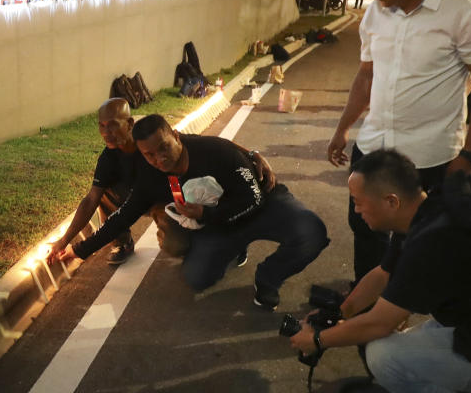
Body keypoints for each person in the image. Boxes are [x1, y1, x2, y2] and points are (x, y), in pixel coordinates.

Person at [327, 0, 471, 283]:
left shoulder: (470, 12)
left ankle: (401, 308)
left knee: (422, 239)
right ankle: (365, 306)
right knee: (365, 228)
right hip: (374, 146)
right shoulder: (377, 12)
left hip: (429, 157)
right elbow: (366, 76)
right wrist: (343, 128)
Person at [287, 149, 471, 393]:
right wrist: (341, 312)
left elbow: (379, 323)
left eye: (358, 202)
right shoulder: (434, 204)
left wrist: (317, 340)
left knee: (385, 355)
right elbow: (383, 274)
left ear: (391, 201)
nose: (357, 211)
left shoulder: (432, 243)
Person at [57, 114, 328, 311]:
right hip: (223, 223)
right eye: (149, 155)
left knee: (311, 232)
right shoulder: (150, 177)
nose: (159, 158)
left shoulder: (213, 151)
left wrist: (206, 215)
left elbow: (253, 198)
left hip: (263, 206)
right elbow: (123, 217)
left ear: (176, 135)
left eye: (163, 147)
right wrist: (78, 250)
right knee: (197, 277)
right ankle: (234, 247)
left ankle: (269, 278)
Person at [46, 98, 138, 266]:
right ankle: (122, 242)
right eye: (101, 125)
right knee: (103, 192)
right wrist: (64, 240)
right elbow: (91, 200)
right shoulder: (108, 158)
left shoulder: (149, 139)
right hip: (136, 195)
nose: (105, 132)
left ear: (129, 123)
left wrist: (183, 207)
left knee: (177, 244)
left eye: (112, 125)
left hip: (161, 195)